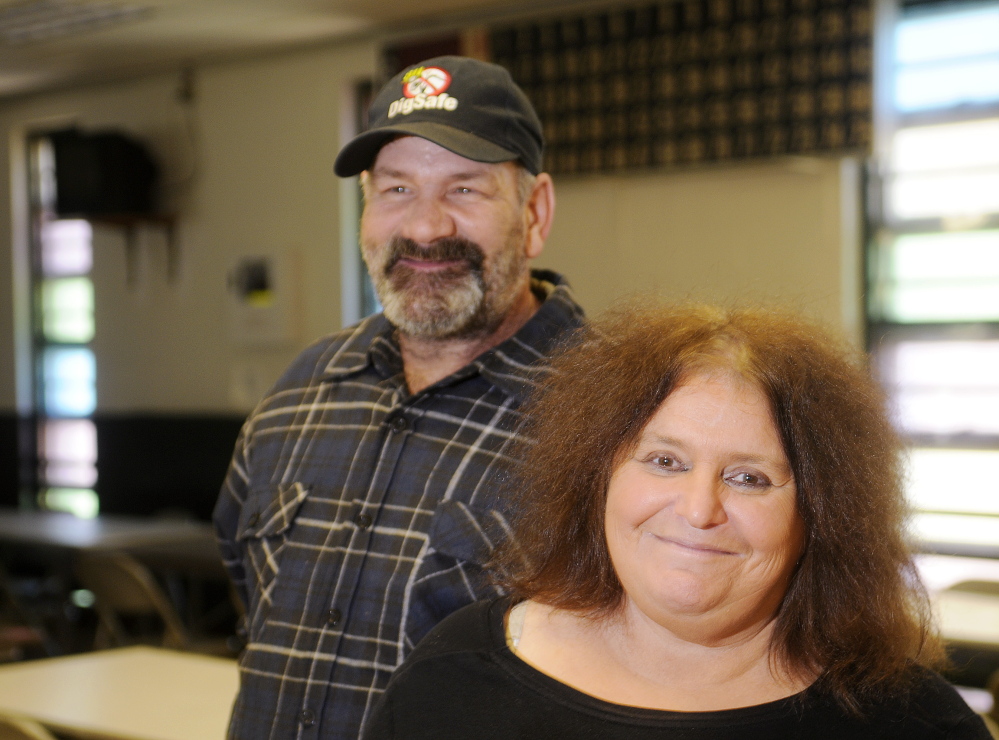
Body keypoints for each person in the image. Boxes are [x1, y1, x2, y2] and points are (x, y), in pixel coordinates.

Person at [364, 302, 993, 739]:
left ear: (823, 516)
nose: (698, 510)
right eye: (664, 461)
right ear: (599, 477)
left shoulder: (911, 724)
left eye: (749, 477)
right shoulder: (453, 681)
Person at [213, 56, 585, 740]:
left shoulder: (610, 415)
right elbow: (247, 595)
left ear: (534, 213)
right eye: (395, 191)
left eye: (465, 191)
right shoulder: (301, 393)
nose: (423, 228)